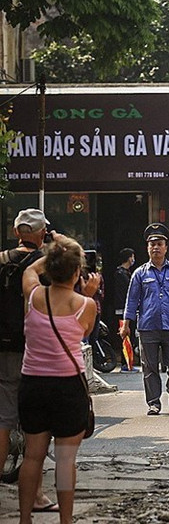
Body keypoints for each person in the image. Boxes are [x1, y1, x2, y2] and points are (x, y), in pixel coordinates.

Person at [19, 233, 97, 523]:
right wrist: (86, 290)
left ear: (50, 269)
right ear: (78, 272)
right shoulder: (85, 305)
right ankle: (65, 521)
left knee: (32, 456)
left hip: (33, 385)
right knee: (65, 461)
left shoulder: (34, 295)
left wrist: (55, 254)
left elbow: (29, 271)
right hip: (67, 387)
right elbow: (85, 333)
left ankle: (24, 519)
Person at [0, 209, 60, 514]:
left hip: (3, 350)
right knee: (35, 426)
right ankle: (36, 495)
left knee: (2, 421)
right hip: (36, 353)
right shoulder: (47, 265)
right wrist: (56, 241)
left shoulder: (1, 260)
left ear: (16, 232)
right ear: (41, 234)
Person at [120, 223, 169, 415]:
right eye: (152, 244)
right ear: (147, 248)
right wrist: (126, 324)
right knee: (150, 368)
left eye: (159, 243)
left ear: (166, 247)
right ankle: (153, 402)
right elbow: (132, 301)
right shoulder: (140, 274)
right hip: (148, 327)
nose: (156, 247)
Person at [113, 248, 137, 371]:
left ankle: (129, 363)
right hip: (123, 310)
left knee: (130, 336)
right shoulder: (120, 274)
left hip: (127, 309)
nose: (133, 259)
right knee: (125, 336)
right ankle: (125, 364)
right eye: (132, 257)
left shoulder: (126, 273)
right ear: (129, 258)